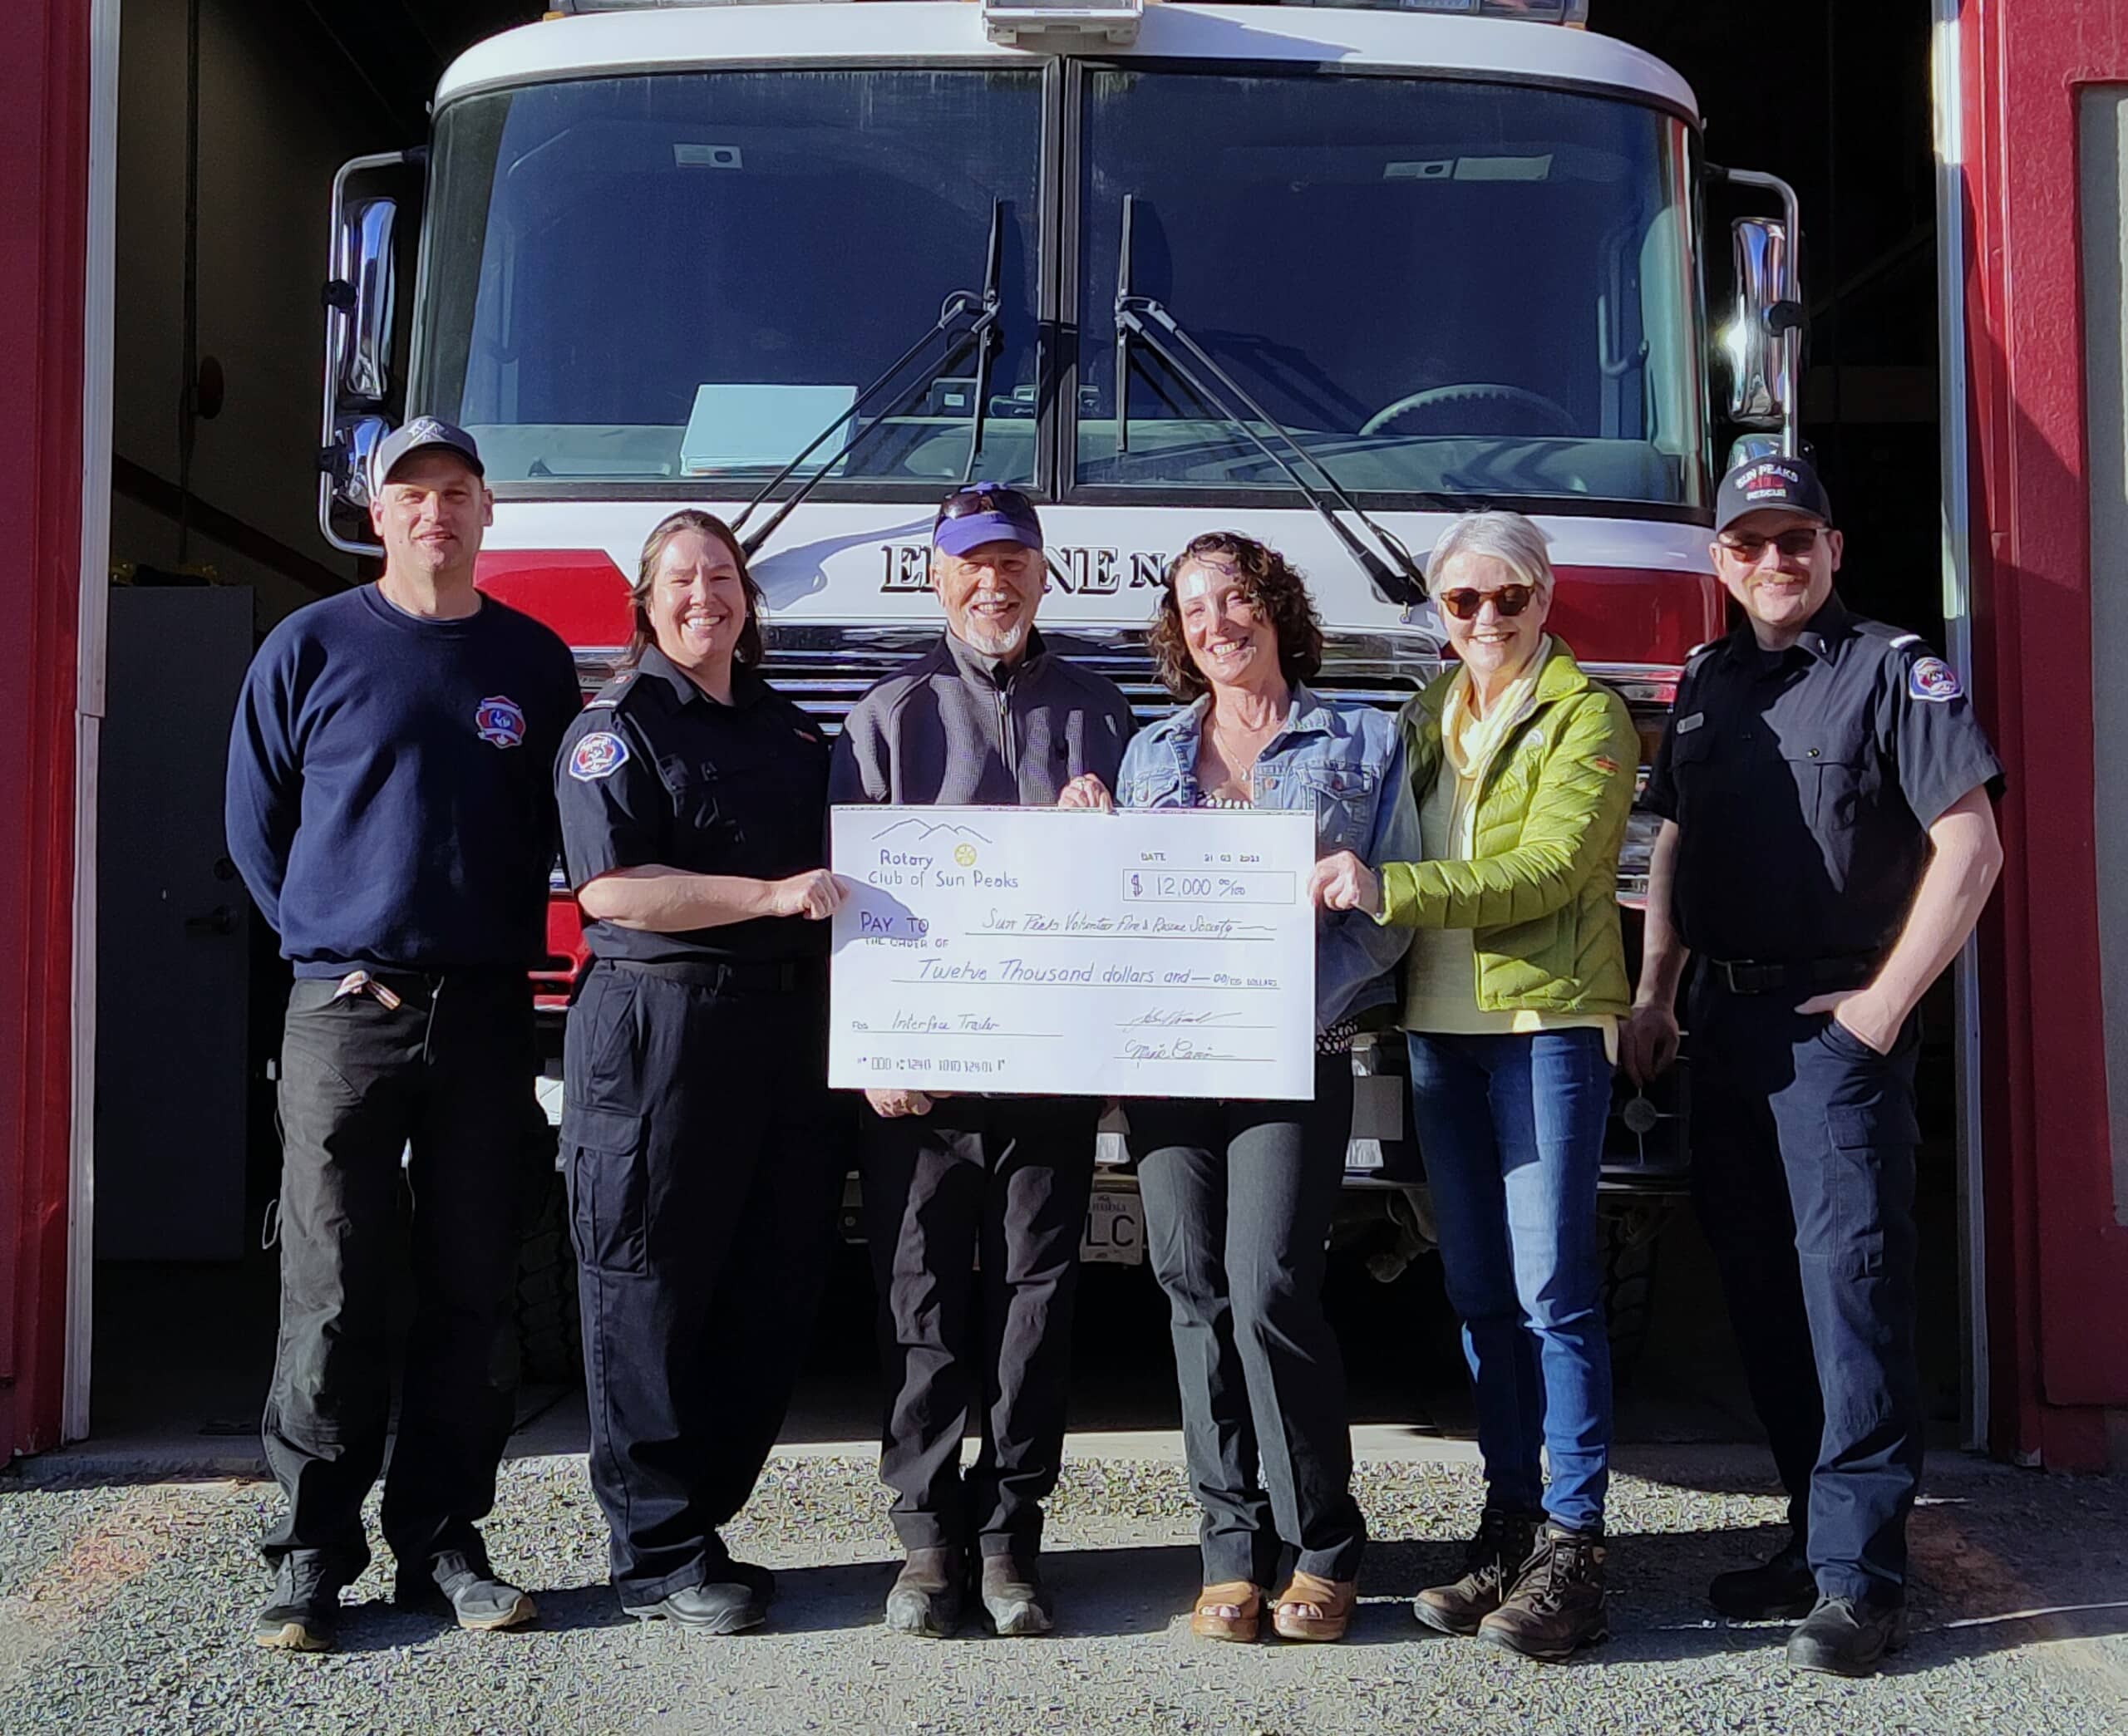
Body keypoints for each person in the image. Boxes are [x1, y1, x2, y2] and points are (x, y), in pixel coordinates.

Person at [1622, 454, 2003, 1678]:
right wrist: (1656, 993)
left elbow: (1973, 847)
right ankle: (1807, 1534)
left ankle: (1862, 1578)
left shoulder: (1895, 672)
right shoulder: (1705, 684)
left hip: (1834, 1036)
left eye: (1798, 540)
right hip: (1725, 1034)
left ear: (1834, 549)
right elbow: (1675, 837)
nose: (1775, 561)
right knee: (1766, 1303)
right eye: (1751, 543)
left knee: (1852, 1303)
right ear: (1722, 562)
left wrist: (1885, 1007)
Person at [225, 417, 581, 1651]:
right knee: (330, 1286)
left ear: (489, 514)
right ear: (378, 514)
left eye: (459, 490)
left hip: (486, 1013)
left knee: (471, 1288)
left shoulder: (534, 664)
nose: (437, 509)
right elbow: (255, 828)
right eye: (413, 491)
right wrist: (332, 954)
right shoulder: (309, 647)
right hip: (346, 1024)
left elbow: (563, 828)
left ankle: (441, 1544)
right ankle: (313, 1553)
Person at [1313, 509, 1637, 1661]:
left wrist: (1386, 887)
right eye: (1465, 602)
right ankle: (1507, 1522)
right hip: (1440, 1032)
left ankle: (1577, 1546)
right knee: (1481, 1289)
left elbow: (1549, 868)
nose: (1488, 619)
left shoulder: (1591, 715)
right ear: (1441, 615)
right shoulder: (1417, 715)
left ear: (1546, 600)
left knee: (1556, 1288)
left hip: (1546, 1023)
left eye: (1510, 598)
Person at [1093, 533, 1417, 1645]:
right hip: (1173, 1061)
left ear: (1275, 608)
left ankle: (1322, 1541)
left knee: (1270, 1280)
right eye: (1193, 609)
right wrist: (1091, 848)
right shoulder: (1148, 757)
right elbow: (1124, 909)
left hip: (1297, 1050)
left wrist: (1303, 978)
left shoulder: (1364, 738)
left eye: (1234, 597)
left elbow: (1392, 917)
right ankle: (1231, 1547)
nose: (1216, 621)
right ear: (1179, 638)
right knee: (1188, 1279)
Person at [830, 482, 1135, 1637]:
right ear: (936, 575)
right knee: (921, 1293)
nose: (991, 583)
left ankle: (1011, 1533)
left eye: (1012, 561)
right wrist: (871, 1046)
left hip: (1049, 1065)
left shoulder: (1105, 716)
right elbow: (846, 894)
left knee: (1036, 1296)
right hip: (918, 1071)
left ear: (1043, 574)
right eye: (970, 563)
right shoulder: (884, 712)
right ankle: (925, 1539)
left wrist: (1115, 830)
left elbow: (1136, 892)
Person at [554, 510, 846, 1633]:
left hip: (782, 1035)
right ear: (646, 598)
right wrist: (769, 896)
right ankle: (655, 1553)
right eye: (681, 578)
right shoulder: (615, 728)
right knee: (647, 1287)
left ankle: (701, 1523)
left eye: (721, 576)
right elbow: (613, 891)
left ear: (746, 597)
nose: (703, 596)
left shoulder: (784, 726)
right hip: (659, 1029)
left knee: (770, 1282)